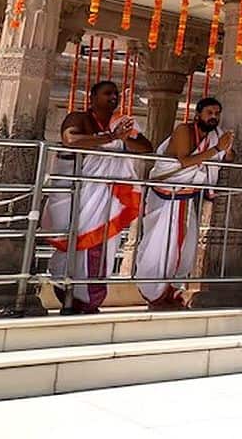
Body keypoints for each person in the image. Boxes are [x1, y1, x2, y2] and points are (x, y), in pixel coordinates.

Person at [43, 81, 154, 314]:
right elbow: (70, 139)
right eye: (107, 93)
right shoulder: (78, 118)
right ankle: (69, 297)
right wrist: (109, 137)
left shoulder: (121, 123)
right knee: (74, 245)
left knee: (103, 249)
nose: (113, 98)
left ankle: (90, 299)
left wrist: (122, 137)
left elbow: (146, 147)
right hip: (81, 196)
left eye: (115, 94)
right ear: (92, 96)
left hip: (106, 198)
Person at [134, 97, 234, 309]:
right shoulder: (184, 130)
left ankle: (172, 291)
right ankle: (154, 294)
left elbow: (226, 159)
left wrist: (226, 148)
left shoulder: (215, 136)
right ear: (198, 115)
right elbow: (185, 161)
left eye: (217, 113)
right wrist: (217, 150)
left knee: (185, 246)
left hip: (187, 197)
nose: (214, 117)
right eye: (209, 112)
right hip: (166, 195)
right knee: (161, 245)